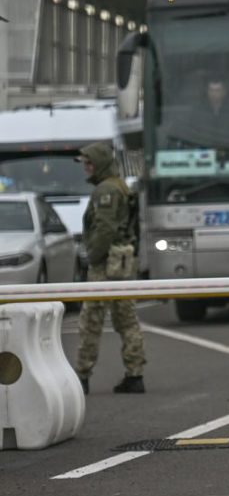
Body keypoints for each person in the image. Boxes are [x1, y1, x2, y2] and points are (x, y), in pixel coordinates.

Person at [74, 142, 146, 395]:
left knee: (91, 321)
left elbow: (105, 228)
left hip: (107, 263)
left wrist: (93, 256)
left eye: (89, 163)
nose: (86, 168)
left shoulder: (106, 190)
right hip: (123, 260)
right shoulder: (119, 186)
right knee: (126, 319)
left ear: (100, 164)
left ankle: (81, 375)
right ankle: (135, 373)